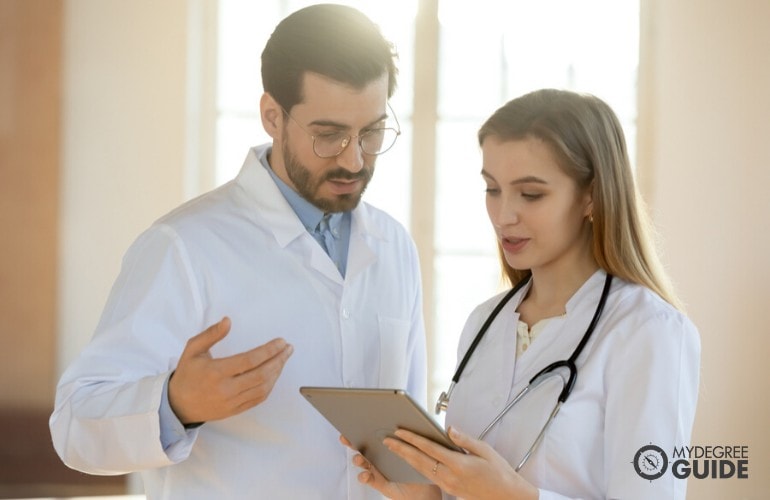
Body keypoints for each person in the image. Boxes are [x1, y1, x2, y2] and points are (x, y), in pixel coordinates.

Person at [50, 4, 426, 499]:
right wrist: (175, 404)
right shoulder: (183, 247)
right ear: (273, 115)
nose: (354, 159)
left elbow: (408, 438)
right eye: (329, 135)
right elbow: (75, 427)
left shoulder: (394, 245)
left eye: (372, 132)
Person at [351, 89, 701, 499]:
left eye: (531, 194)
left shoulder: (649, 332)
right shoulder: (485, 322)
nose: (504, 216)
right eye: (492, 189)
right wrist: (427, 493)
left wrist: (514, 495)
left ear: (591, 195)